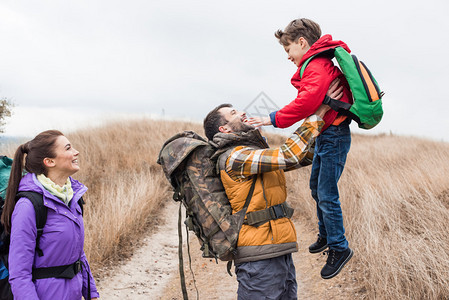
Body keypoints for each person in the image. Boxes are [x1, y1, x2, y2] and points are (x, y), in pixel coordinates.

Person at [203, 81, 341, 299]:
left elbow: (303, 156)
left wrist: (331, 121)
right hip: (258, 257)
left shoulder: (252, 152)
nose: (242, 112)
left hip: (278, 249)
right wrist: (318, 112)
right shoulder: (235, 157)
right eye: (234, 112)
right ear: (224, 129)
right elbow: (288, 154)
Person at [250, 18, 353, 279]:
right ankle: (326, 235)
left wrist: (271, 118)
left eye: (288, 50)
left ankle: (339, 248)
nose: (287, 56)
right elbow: (309, 101)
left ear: (302, 42)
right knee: (316, 186)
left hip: (334, 135)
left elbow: (306, 103)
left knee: (327, 192)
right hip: (326, 134)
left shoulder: (315, 66)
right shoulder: (315, 65)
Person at [1, 130, 99, 300]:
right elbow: (19, 275)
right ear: (49, 161)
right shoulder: (28, 206)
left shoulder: (72, 198)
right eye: (68, 148)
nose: (76, 152)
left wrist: (91, 294)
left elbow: (78, 254)